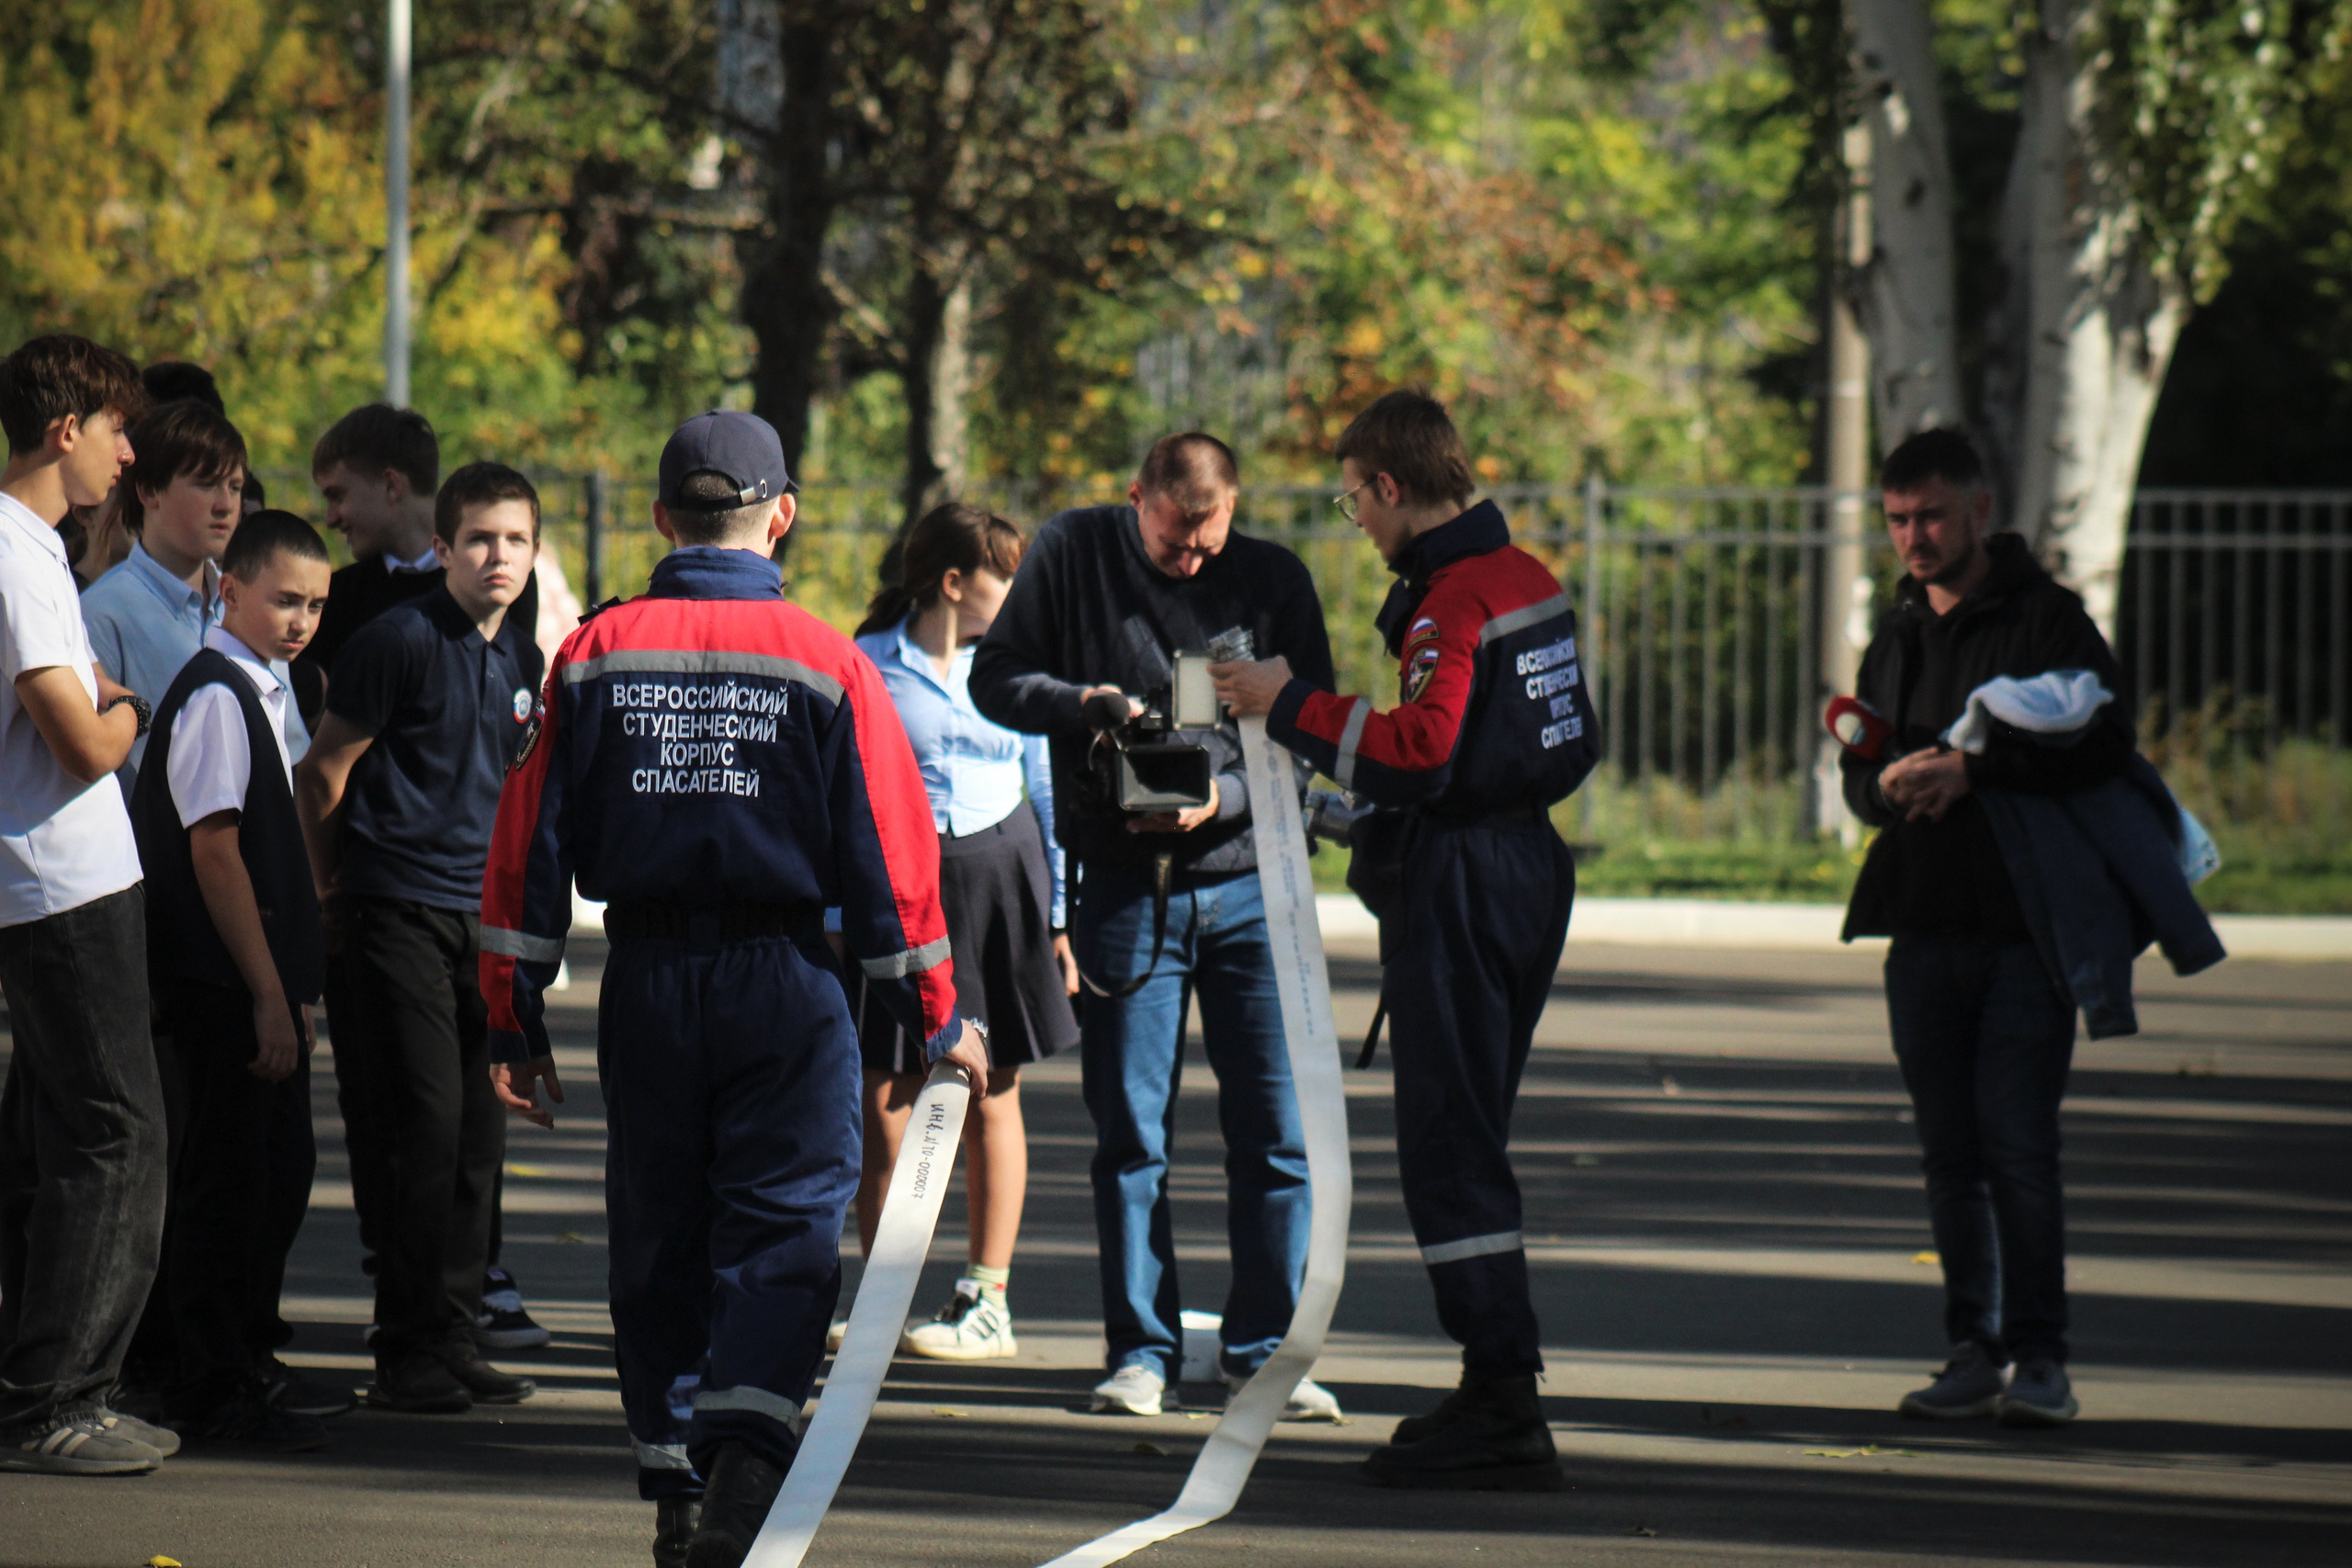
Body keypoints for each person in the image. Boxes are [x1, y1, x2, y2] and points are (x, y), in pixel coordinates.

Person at [479, 410, 988, 1568]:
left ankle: (671, 1465)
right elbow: (892, 856)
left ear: (662, 518)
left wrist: (510, 1010)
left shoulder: (595, 652)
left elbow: (527, 843)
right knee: (785, 1217)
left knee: (659, 1218)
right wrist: (929, 1014)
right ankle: (746, 1461)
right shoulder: (829, 659)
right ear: (784, 515)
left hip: (650, 976)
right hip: (788, 981)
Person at [1213, 389, 1599, 1490]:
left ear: (1390, 485)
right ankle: (1493, 1385)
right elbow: (1565, 740)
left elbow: (1424, 749)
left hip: (1471, 880)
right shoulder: (1528, 578)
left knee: (1448, 1141)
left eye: (1354, 503)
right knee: (1468, 1126)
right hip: (1526, 863)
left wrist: (1295, 705)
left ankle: (1503, 1394)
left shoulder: (1452, 601)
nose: (1359, 526)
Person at [1836, 428, 2217, 1429]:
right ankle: (1973, 1349)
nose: (1913, 537)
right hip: (1920, 932)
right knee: (1947, 1155)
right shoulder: (1898, 633)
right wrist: (1881, 783)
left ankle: (2042, 1360)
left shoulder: (2050, 623)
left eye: (1929, 517)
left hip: (2023, 933)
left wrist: (1973, 770)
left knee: (2016, 1147)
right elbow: (1857, 766)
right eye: (1897, 520)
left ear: (1977, 512)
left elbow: (2100, 750)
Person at [969, 432, 1343, 1422]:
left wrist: (1216, 799)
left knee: (1276, 1133)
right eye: (1176, 541)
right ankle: (1141, 1349)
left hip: (1254, 882)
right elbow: (994, 677)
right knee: (1130, 1133)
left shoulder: (1269, 579)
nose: (1192, 561)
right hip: (1124, 886)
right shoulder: (1071, 551)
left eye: (1208, 540)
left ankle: (1266, 1351)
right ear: (1136, 498)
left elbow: (1314, 726)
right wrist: (1084, 705)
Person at [295, 462, 546, 1414]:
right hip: (391, 906)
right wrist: (329, 885)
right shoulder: (398, 640)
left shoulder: (521, 654)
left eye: (516, 539)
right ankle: (403, 1344)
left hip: (481, 924)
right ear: (442, 547)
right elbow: (323, 772)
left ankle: (452, 1329)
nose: (498, 555)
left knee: (480, 1137)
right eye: (480, 538)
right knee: (421, 1127)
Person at [0, 333, 178, 1474]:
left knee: (70, 1135)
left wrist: (101, 700)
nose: (127, 455)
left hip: (58, 881)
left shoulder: (35, 551)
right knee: (115, 1137)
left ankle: (52, 1388)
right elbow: (76, 738)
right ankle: (56, 1401)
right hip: (60, 885)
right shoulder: (20, 553)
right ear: (67, 429)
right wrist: (132, 711)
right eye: (118, 431)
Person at [129, 510, 343, 1451]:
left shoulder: (264, 688)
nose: (300, 620)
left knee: (273, 1174)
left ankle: (238, 1361)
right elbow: (214, 851)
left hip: (258, 978)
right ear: (232, 589)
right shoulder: (218, 694)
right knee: (227, 1184)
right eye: (285, 599)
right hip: (217, 983)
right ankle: (206, 1381)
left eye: (316, 605)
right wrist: (264, 989)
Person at [846, 502, 1078, 1361]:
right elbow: (845, 792)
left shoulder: (1018, 668)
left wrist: (1061, 917)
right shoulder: (868, 662)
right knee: (886, 1100)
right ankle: (884, 1298)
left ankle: (987, 1297)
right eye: (1002, 576)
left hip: (1001, 879)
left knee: (995, 1089)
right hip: (900, 892)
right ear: (953, 581)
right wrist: (839, 913)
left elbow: (1047, 786)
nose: (1017, 593)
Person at [82, 399, 311, 790]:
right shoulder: (102, 614)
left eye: (235, 487)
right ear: (150, 492)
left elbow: (288, 748)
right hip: (151, 844)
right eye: (206, 485)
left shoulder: (252, 602)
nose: (225, 504)